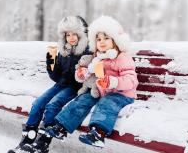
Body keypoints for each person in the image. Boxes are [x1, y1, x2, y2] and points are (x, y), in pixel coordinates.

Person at [46, 16, 138, 148]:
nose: (102, 42)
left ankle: (98, 134)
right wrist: (84, 74)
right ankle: (61, 127)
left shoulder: (122, 58)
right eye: (99, 39)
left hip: (121, 94)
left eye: (106, 38)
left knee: (106, 104)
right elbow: (91, 72)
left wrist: (112, 82)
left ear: (116, 40)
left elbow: (131, 80)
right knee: (82, 100)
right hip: (101, 91)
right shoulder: (98, 57)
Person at [8, 16, 90, 153]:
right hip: (60, 84)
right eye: (68, 35)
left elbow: (86, 77)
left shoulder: (87, 51)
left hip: (75, 87)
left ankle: (42, 143)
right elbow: (56, 77)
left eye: (74, 34)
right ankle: (27, 141)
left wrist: (82, 72)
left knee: (53, 105)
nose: (71, 38)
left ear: (82, 34)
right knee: (38, 104)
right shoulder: (64, 50)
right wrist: (51, 64)